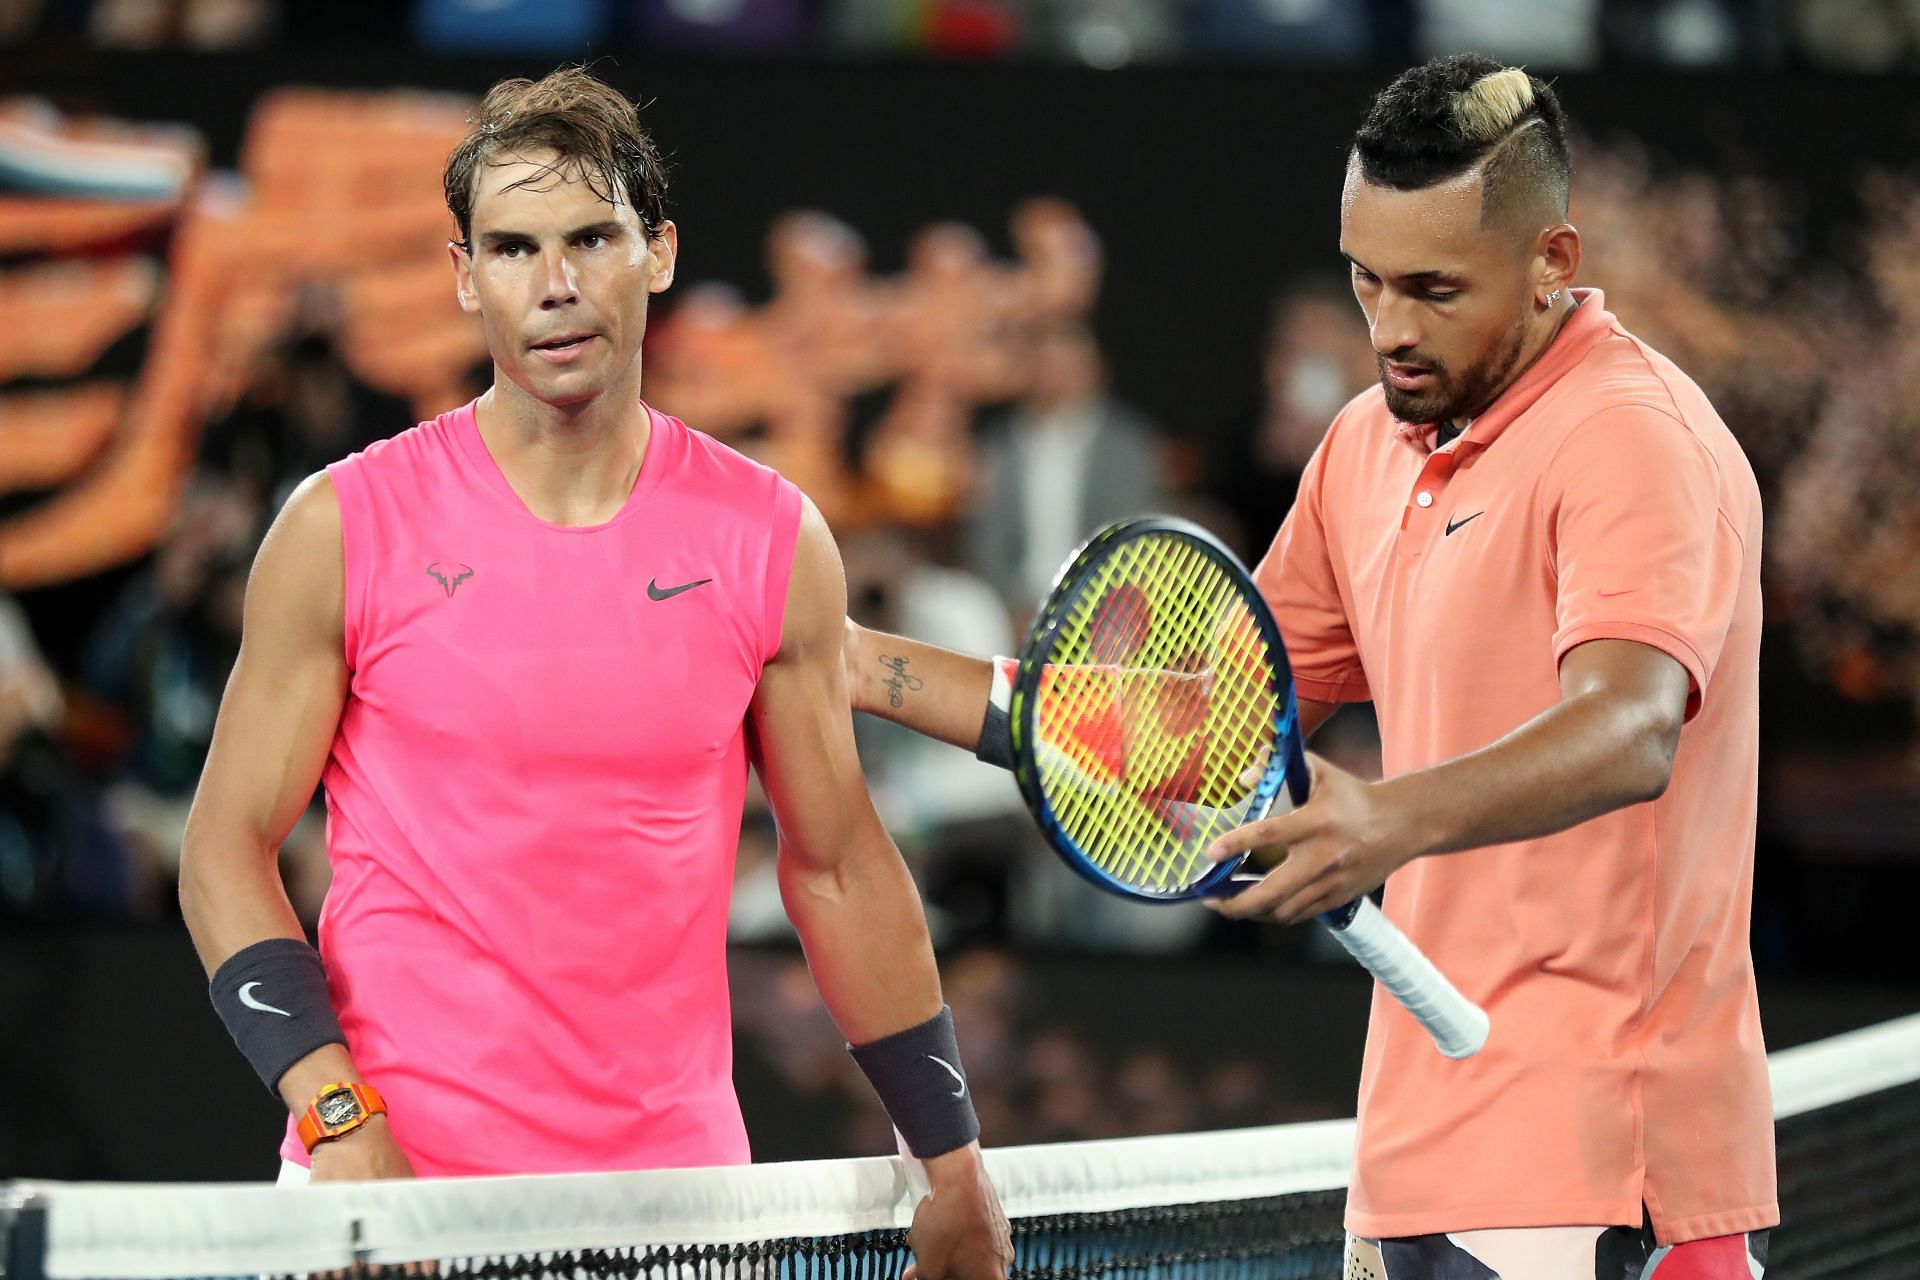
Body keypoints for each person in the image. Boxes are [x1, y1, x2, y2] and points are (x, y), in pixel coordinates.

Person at [844, 55, 1774, 1279]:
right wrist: (848, 662)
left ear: (1553, 262)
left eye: (1436, 289)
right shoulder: (1362, 451)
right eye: (1366, 279)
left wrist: (1386, 816)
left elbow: (1633, 724)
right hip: (1408, 1162)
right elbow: (1187, 731)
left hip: (1606, 1164)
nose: (1389, 328)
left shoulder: (1634, 442)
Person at [177, 67, 1011, 1280]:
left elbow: (837, 867)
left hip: (673, 1213)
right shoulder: (344, 525)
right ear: (464, 274)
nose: (555, 285)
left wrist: (949, 1157)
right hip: (387, 1205)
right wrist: (338, 1120)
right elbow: (224, 847)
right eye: (512, 248)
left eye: (590, 238)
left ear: (657, 253)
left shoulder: (769, 537)